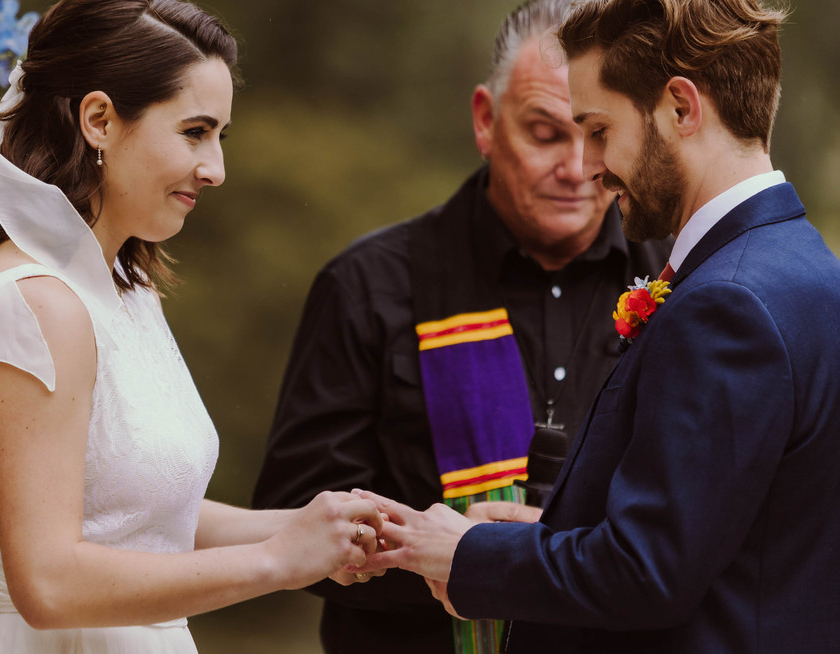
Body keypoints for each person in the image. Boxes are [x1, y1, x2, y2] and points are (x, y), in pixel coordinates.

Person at [354, 0, 840, 652]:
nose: (586, 166)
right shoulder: (806, 266)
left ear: (680, 109)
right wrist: (552, 533)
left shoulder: (727, 304)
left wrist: (469, 557)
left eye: (598, 130)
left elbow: (649, 572)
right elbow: (736, 537)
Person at [0, 1, 384, 651]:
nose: (216, 169)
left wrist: (320, 531)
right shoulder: (32, 305)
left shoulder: (127, 289)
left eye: (219, 137)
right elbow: (48, 583)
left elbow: (140, 514)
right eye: (194, 131)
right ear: (99, 121)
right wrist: (276, 561)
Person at [251, 1, 670, 652]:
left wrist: (557, 557)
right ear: (485, 120)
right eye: (545, 132)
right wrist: (449, 557)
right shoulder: (368, 286)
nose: (576, 167)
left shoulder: (680, 283)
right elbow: (294, 519)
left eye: (596, 133)